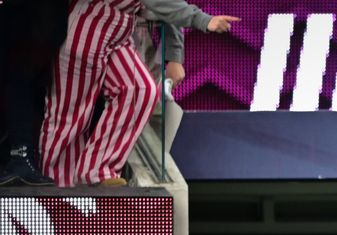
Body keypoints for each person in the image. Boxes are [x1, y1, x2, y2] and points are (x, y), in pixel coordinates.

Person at [38, 0, 237, 186]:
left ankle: (97, 172)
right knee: (69, 118)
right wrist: (203, 19)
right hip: (89, 23)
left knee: (140, 91)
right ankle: (54, 191)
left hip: (120, 28)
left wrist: (175, 54)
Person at [0, 0, 65, 185]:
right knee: (22, 79)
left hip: (40, 17)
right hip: (33, 17)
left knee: (26, 81)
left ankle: (22, 155)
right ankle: (21, 155)